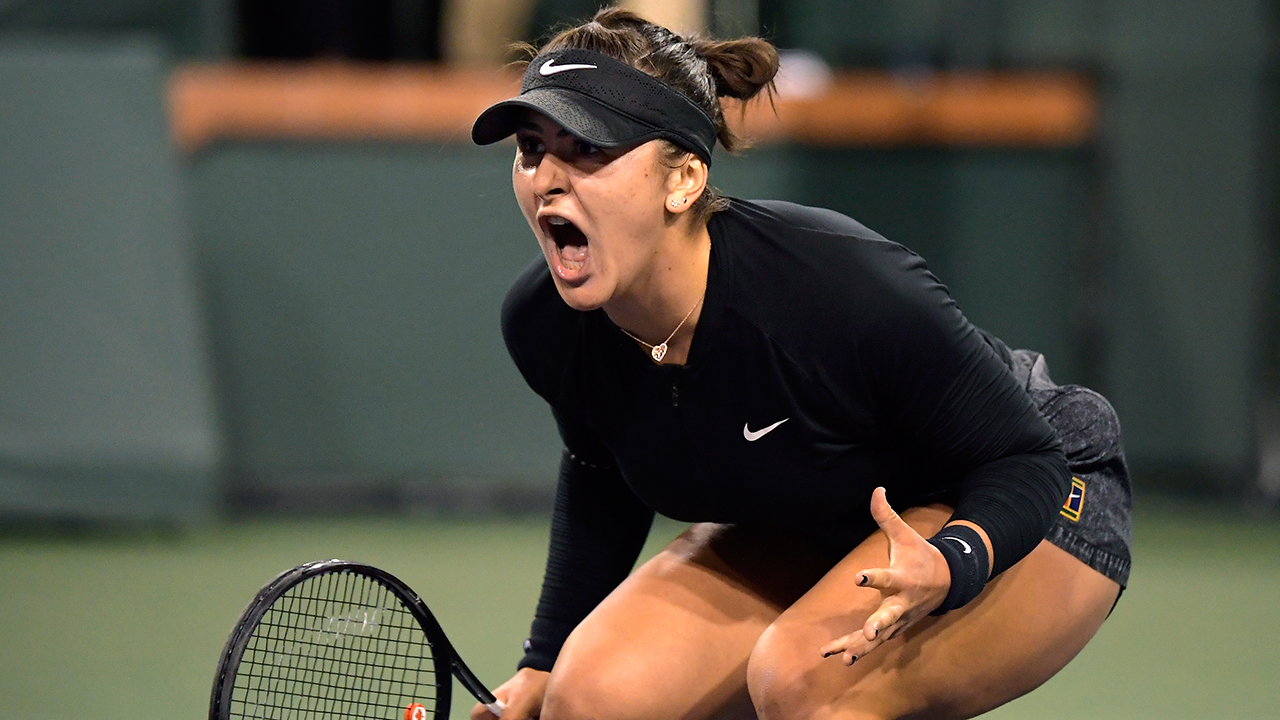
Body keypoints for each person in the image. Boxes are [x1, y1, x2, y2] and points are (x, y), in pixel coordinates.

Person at [468, 7, 1133, 720]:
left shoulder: (836, 288)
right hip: (823, 512)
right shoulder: (547, 325)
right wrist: (541, 661)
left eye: (589, 150)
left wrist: (953, 560)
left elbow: (1023, 456)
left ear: (684, 180)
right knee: (591, 700)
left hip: (1030, 492)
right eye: (532, 148)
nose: (546, 179)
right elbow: (603, 472)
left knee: (803, 684)